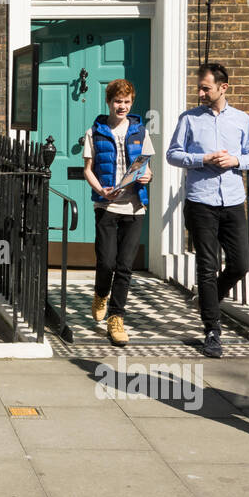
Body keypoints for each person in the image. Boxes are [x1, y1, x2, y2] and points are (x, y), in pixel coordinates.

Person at [165, 62, 249, 358]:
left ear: (223, 88)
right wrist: (202, 158)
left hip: (233, 201)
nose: (200, 92)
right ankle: (212, 330)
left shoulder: (242, 120)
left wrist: (236, 161)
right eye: (199, 87)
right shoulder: (189, 119)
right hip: (200, 202)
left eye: (206, 87)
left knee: (240, 264)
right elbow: (173, 154)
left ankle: (208, 299)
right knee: (206, 266)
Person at [82, 79, 154, 346]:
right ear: (109, 102)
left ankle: (117, 318)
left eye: (126, 101)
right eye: (117, 101)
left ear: (131, 102)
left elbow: (146, 167)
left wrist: (148, 177)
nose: (122, 106)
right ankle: (101, 292)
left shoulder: (140, 131)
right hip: (107, 206)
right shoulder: (95, 132)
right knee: (107, 262)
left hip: (135, 207)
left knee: (125, 266)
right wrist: (101, 190)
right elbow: (87, 169)